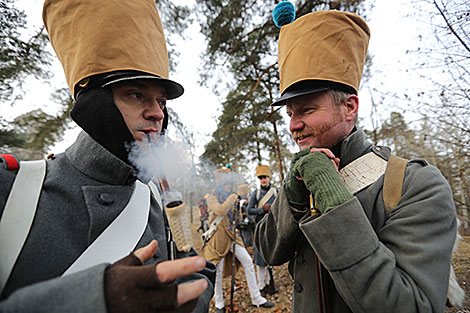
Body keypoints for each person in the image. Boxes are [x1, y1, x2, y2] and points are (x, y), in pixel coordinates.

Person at [0, 0, 215, 312]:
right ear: (96, 104)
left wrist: (192, 296)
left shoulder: (152, 194)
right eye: (136, 94)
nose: (157, 113)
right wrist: (93, 299)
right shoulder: (11, 188)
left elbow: (185, 265)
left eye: (161, 101)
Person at [254, 4, 460, 313]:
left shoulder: (417, 184)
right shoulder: (302, 174)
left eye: (307, 110)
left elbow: (411, 306)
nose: (293, 125)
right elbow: (267, 251)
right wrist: (293, 201)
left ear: (349, 107)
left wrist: (335, 204)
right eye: (290, 113)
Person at [203, 167, 274, 313]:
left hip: (232, 236)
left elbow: (237, 218)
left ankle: (256, 297)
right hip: (218, 238)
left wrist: (237, 209)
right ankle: (219, 303)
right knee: (218, 269)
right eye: (227, 184)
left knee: (248, 262)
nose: (229, 186)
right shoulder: (211, 197)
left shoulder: (231, 197)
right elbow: (220, 210)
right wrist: (232, 199)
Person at [247, 164, 278, 296]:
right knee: (260, 259)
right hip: (259, 228)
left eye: (264, 177)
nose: (263, 180)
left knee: (270, 257)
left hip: (272, 227)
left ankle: (270, 284)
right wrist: (262, 209)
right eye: (260, 178)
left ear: (269, 177)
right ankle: (261, 286)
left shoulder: (276, 192)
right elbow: (249, 210)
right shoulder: (256, 193)